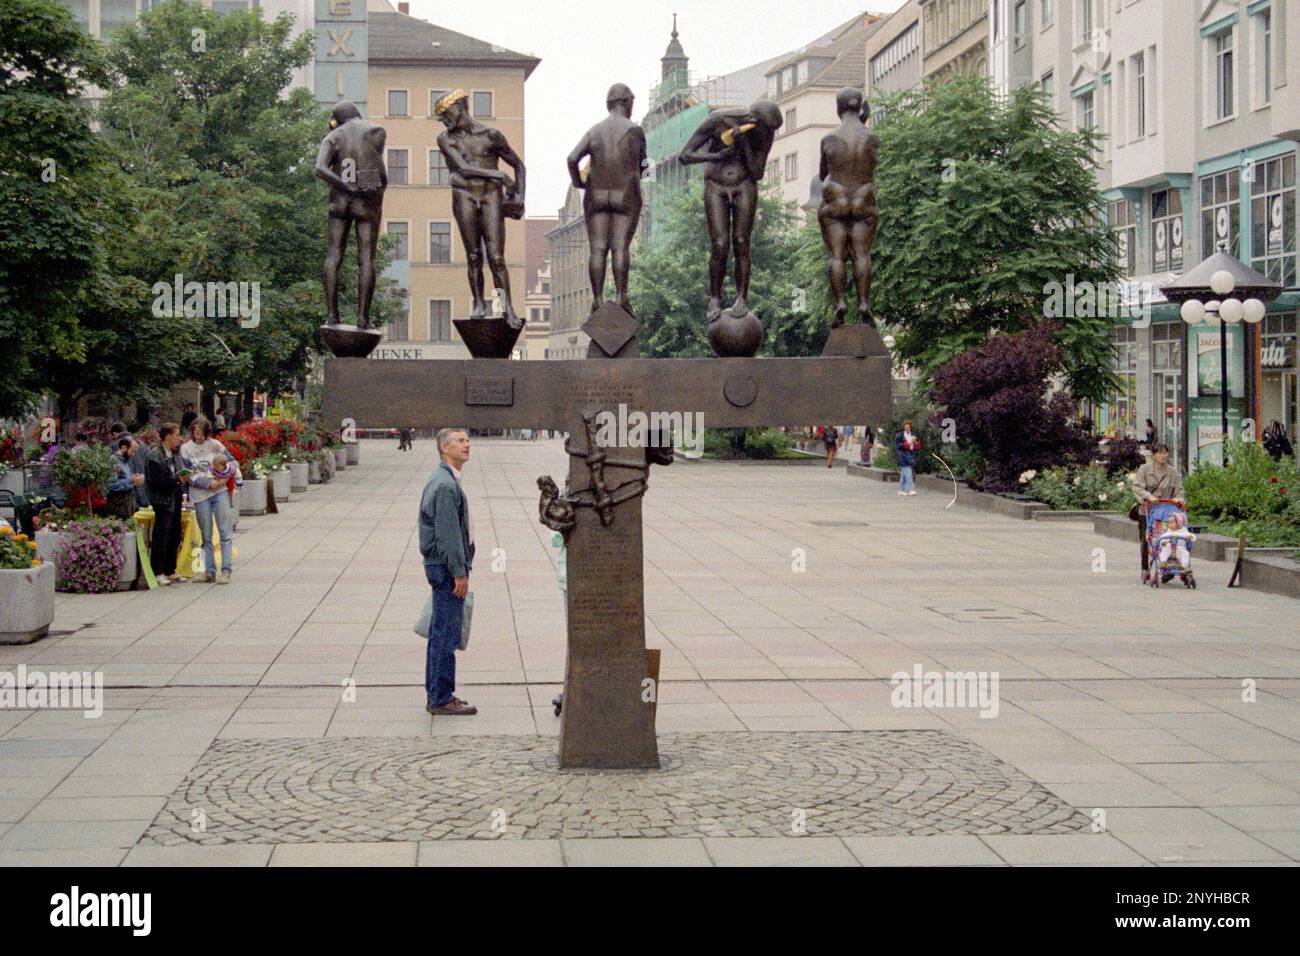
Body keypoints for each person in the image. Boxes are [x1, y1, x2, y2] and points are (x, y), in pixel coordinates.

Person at [679, 99, 783, 320]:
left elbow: (757, 172)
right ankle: (714, 298)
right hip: (715, 184)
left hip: (744, 184)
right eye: (766, 129)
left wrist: (743, 143)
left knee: (742, 241)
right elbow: (685, 156)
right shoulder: (716, 121)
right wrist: (715, 156)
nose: (767, 134)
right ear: (753, 119)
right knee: (719, 243)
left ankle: (741, 297)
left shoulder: (765, 131)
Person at [435, 91, 526, 327]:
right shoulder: (445, 139)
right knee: (474, 255)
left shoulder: (491, 135)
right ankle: (478, 303)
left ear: (459, 107)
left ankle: (506, 308)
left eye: (446, 115)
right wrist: (499, 175)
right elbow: (463, 168)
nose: (444, 121)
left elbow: (519, 165)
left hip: (490, 196)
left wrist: (519, 198)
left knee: (497, 258)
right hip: (463, 194)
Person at [567, 83, 647, 314]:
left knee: (598, 248)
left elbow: (572, 159)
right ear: (625, 101)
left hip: (596, 196)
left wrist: (578, 182)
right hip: (626, 196)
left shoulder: (594, 131)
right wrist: (642, 176)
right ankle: (622, 298)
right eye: (632, 101)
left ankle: (598, 300)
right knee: (620, 248)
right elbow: (645, 166)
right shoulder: (635, 130)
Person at [419, 428, 477, 716]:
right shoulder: (444, 485)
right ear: (444, 448)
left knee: (439, 631)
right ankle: (441, 697)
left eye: (467, 440)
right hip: (446, 569)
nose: (467, 445)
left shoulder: (446, 480)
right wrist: (459, 572)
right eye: (460, 441)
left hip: (441, 566)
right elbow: (448, 535)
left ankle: (437, 694)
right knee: (445, 634)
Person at [180, 417, 238, 584]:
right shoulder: (186, 449)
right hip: (200, 494)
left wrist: (223, 480)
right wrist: (207, 483)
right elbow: (186, 473)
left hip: (220, 491)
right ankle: (209, 570)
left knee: (224, 532)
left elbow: (232, 463)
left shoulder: (215, 445)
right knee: (206, 535)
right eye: (195, 433)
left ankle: (226, 570)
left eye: (201, 434)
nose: (198, 437)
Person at [1130, 442, 1184, 575]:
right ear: (1154, 455)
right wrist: (1148, 496)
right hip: (1148, 510)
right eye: (1160, 453)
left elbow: (1180, 491)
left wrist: (1179, 499)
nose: (1163, 455)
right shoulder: (1144, 470)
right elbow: (1137, 487)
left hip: (1166, 512)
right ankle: (1145, 568)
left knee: (1167, 539)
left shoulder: (1173, 472)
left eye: (1165, 452)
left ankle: (1167, 566)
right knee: (1146, 539)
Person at [145, 423, 188, 586]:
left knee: (174, 534)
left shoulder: (174, 454)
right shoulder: (155, 457)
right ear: (168, 436)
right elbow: (159, 482)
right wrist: (178, 480)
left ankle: (171, 570)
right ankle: (158, 571)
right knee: (161, 535)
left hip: (175, 498)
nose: (179, 439)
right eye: (177, 435)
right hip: (162, 500)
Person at [106, 437, 144, 520]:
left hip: (126, 504)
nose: (133, 455)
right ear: (123, 448)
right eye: (132, 451)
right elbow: (112, 485)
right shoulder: (113, 462)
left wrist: (134, 478)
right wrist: (131, 480)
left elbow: (123, 479)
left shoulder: (124, 462)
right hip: (118, 505)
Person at [895, 420, 920, 496]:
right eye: (906, 426)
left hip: (911, 455)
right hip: (903, 456)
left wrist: (915, 442)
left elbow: (918, 446)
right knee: (908, 473)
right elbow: (898, 446)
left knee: (904, 474)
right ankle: (911, 489)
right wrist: (909, 442)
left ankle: (901, 490)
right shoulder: (899, 435)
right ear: (904, 427)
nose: (908, 428)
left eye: (909, 427)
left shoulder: (913, 435)